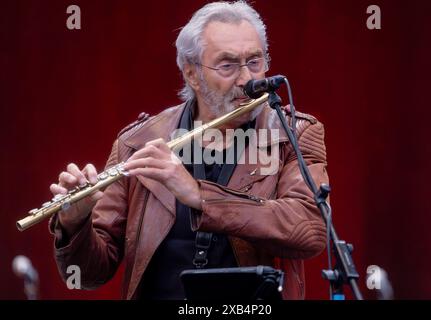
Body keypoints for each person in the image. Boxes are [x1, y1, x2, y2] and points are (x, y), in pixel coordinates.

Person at [49, 1, 329, 300]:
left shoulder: (291, 133)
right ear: (192, 74)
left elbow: (309, 230)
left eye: (255, 62)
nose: (248, 79)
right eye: (228, 65)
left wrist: (198, 196)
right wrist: (75, 222)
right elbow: (87, 275)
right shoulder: (138, 141)